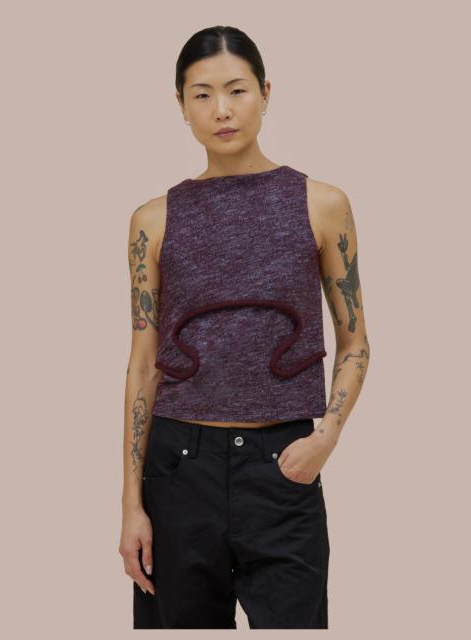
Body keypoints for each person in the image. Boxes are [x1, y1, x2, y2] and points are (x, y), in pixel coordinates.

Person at [119, 25, 370, 630]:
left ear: (265, 92)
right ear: (181, 105)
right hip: (179, 469)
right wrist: (131, 504)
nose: (222, 110)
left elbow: (355, 342)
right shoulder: (153, 220)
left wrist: (326, 438)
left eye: (237, 90)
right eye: (202, 95)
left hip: (282, 466)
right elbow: (144, 363)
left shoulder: (321, 204)